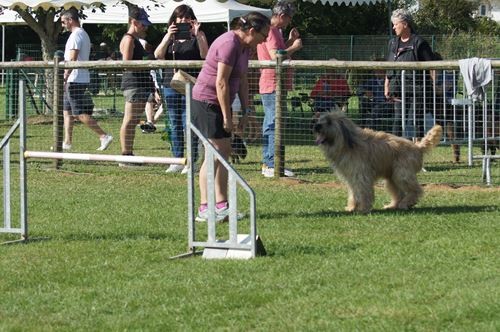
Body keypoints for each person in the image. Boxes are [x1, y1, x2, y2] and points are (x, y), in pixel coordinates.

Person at [191, 12, 270, 222]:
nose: (265, 40)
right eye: (264, 35)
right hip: (206, 102)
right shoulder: (229, 44)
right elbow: (221, 83)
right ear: (251, 31)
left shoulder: (245, 48)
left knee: (224, 153)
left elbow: (242, 80)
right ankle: (204, 208)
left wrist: (247, 111)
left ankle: (221, 205)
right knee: (215, 153)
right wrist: (227, 117)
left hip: (220, 102)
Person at [154, 5, 208, 174]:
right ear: (174, 20)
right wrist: (168, 36)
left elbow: (205, 55)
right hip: (170, 84)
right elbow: (158, 55)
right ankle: (176, 159)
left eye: (187, 18)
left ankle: (191, 161)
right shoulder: (170, 38)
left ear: (192, 20)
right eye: (180, 18)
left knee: (189, 123)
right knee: (174, 122)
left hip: (190, 84)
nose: (183, 21)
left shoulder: (198, 35)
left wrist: (198, 34)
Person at [257, 0, 302, 178]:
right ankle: (270, 164)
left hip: (274, 83)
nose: (289, 22)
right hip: (272, 84)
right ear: (282, 16)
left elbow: (277, 50)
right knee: (272, 123)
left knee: (274, 122)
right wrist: (295, 47)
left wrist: (288, 41)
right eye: (289, 18)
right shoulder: (272, 31)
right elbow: (277, 56)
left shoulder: (274, 31)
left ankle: (274, 163)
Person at [60, 8, 113, 151]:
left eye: (63, 22)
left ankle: (103, 136)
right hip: (75, 78)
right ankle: (67, 142)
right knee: (67, 111)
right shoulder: (81, 34)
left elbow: (72, 58)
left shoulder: (76, 35)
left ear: (70, 20)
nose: (63, 25)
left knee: (77, 113)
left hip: (75, 79)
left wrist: (65, 75)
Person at [384, 8, 435, 139]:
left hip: (417, 90)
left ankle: (418, 150)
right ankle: (395, 152)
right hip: (398, 90)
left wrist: (434, 85)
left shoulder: (419, 42)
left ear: (405, 24)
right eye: (393, 24)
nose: (394, 27)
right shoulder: (393, 43)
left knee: (415, 121)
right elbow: (389, 65)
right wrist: (387, 85)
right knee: (398, 122)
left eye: (396, 24)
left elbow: (433, 67)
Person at [118, 6, 154, 164]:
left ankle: (129, 153)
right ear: (134, 22)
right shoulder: (129, 39)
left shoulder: (135, 40)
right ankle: (125, 155)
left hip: (139, 84)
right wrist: (147, 63)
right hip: (134, 84)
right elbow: (127, 64)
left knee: (133, 120)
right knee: (130, 120)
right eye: (143, 24)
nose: (145, 28)